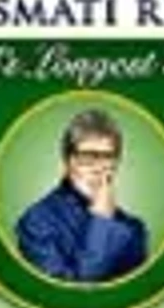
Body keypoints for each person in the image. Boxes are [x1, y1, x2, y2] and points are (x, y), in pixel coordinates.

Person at [15, 109, 148, 283]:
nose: (98, 168)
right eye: (87, 157)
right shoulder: (35, 223)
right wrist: (101, 221)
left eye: (107, 157)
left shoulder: (133, 228)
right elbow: (70, 292)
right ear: (67, 161)